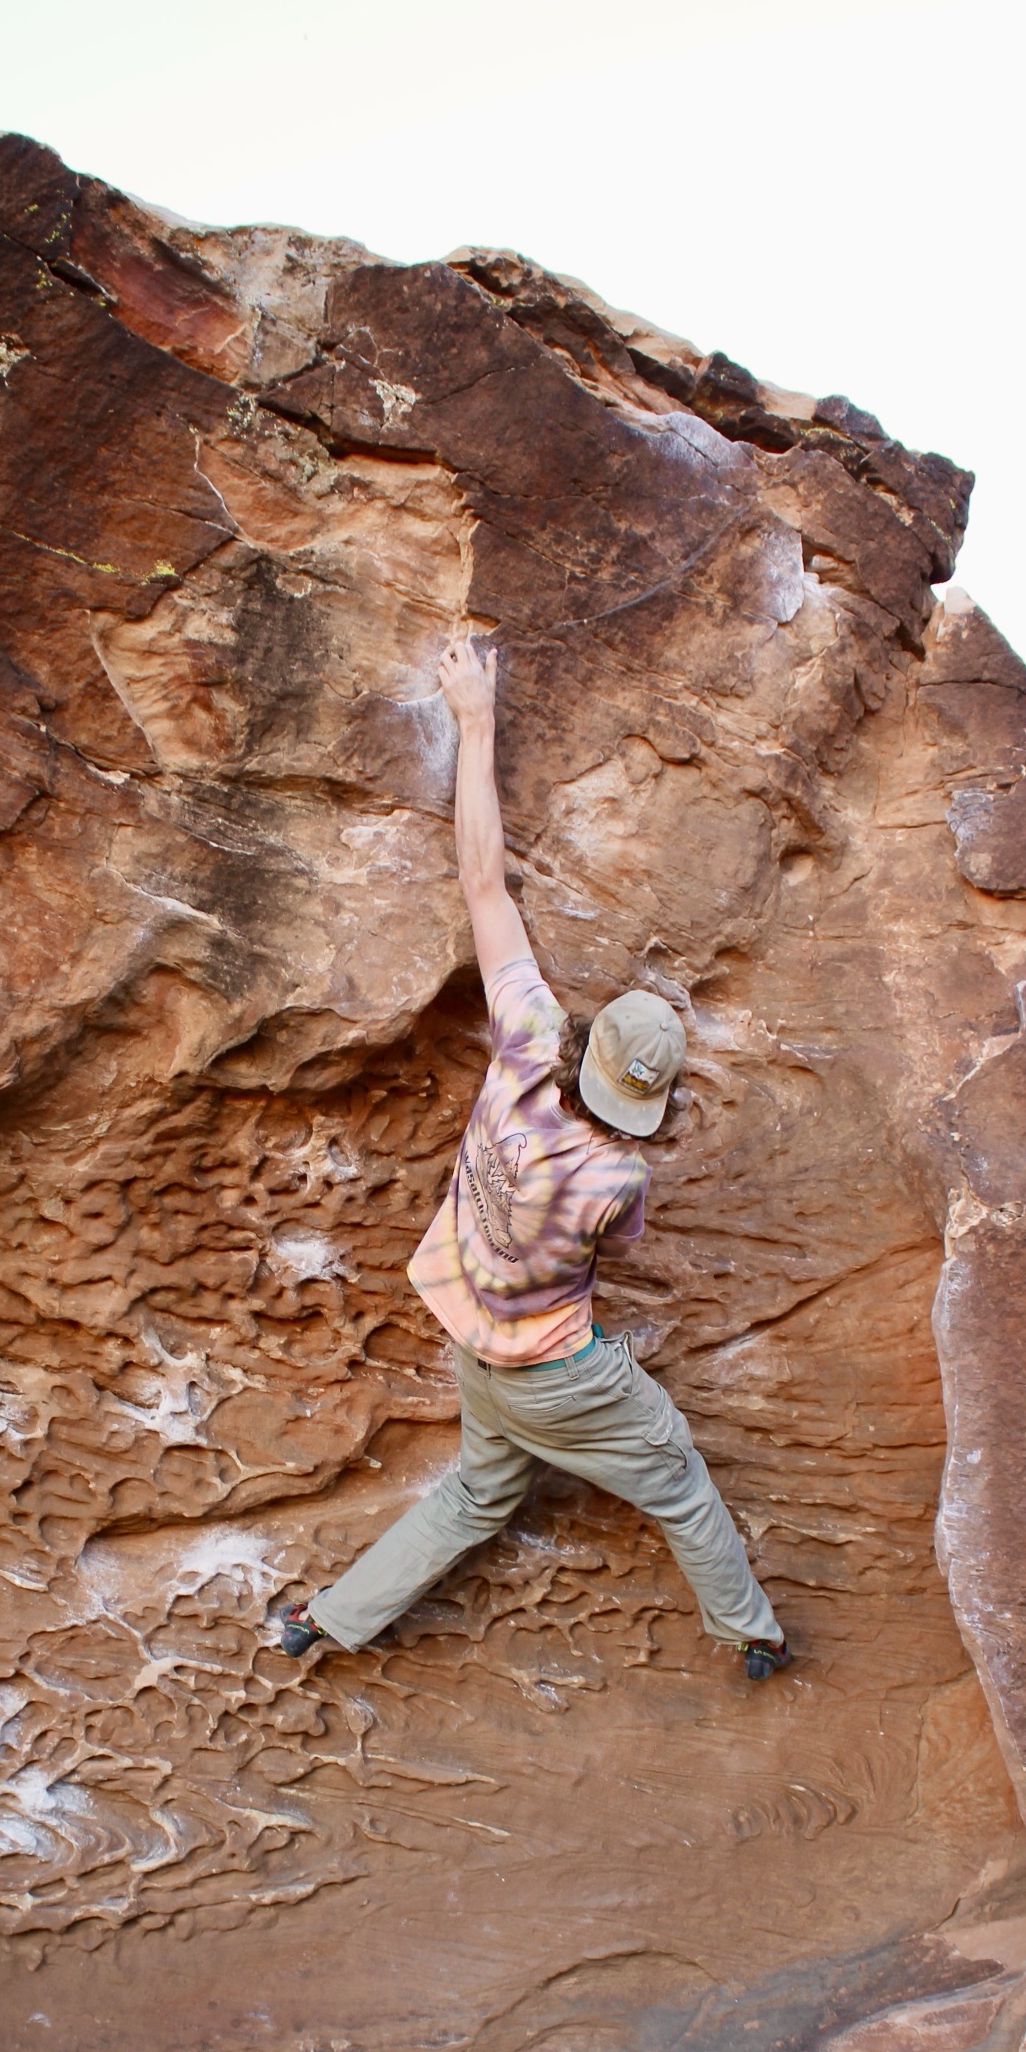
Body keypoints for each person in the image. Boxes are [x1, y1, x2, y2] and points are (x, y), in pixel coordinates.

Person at [273, 635, 789, 1680]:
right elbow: (614, 1248)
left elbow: (481, 884)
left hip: (474, 1347)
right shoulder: (619, 1179)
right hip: (561, 1376)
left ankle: (322, 1621)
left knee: (475, 1494)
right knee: (680, 1486)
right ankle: (753, 1635)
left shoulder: (516, 1061)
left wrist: (474, 717)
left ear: (589, 1051)